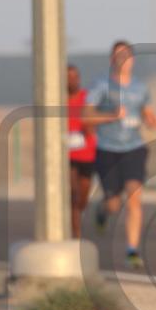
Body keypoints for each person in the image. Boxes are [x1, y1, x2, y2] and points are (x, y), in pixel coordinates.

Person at [84, 41, 156, 269]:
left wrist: (151, 120)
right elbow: (86, 116)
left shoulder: (140, 88)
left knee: (134, 197)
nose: (123, 60)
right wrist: (111, 115)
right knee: (114, 204)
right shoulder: (101, 85)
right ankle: (103, 210)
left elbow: (146, 112)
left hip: (134, 149)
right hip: (108, 149)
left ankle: (132, 250)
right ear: (111, 60)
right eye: (118, 55)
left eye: (126, 55)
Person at [67, 64, 97, 238]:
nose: (71, 80)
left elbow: (95, 118)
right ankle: (76, 235)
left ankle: (78, 215)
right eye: (68, 77)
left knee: (82, 197)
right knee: (73, 194)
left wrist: (91, 125)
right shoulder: (57, 98)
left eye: (74, 77)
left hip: (86, 154)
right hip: (67, 155)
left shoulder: (87, 98)